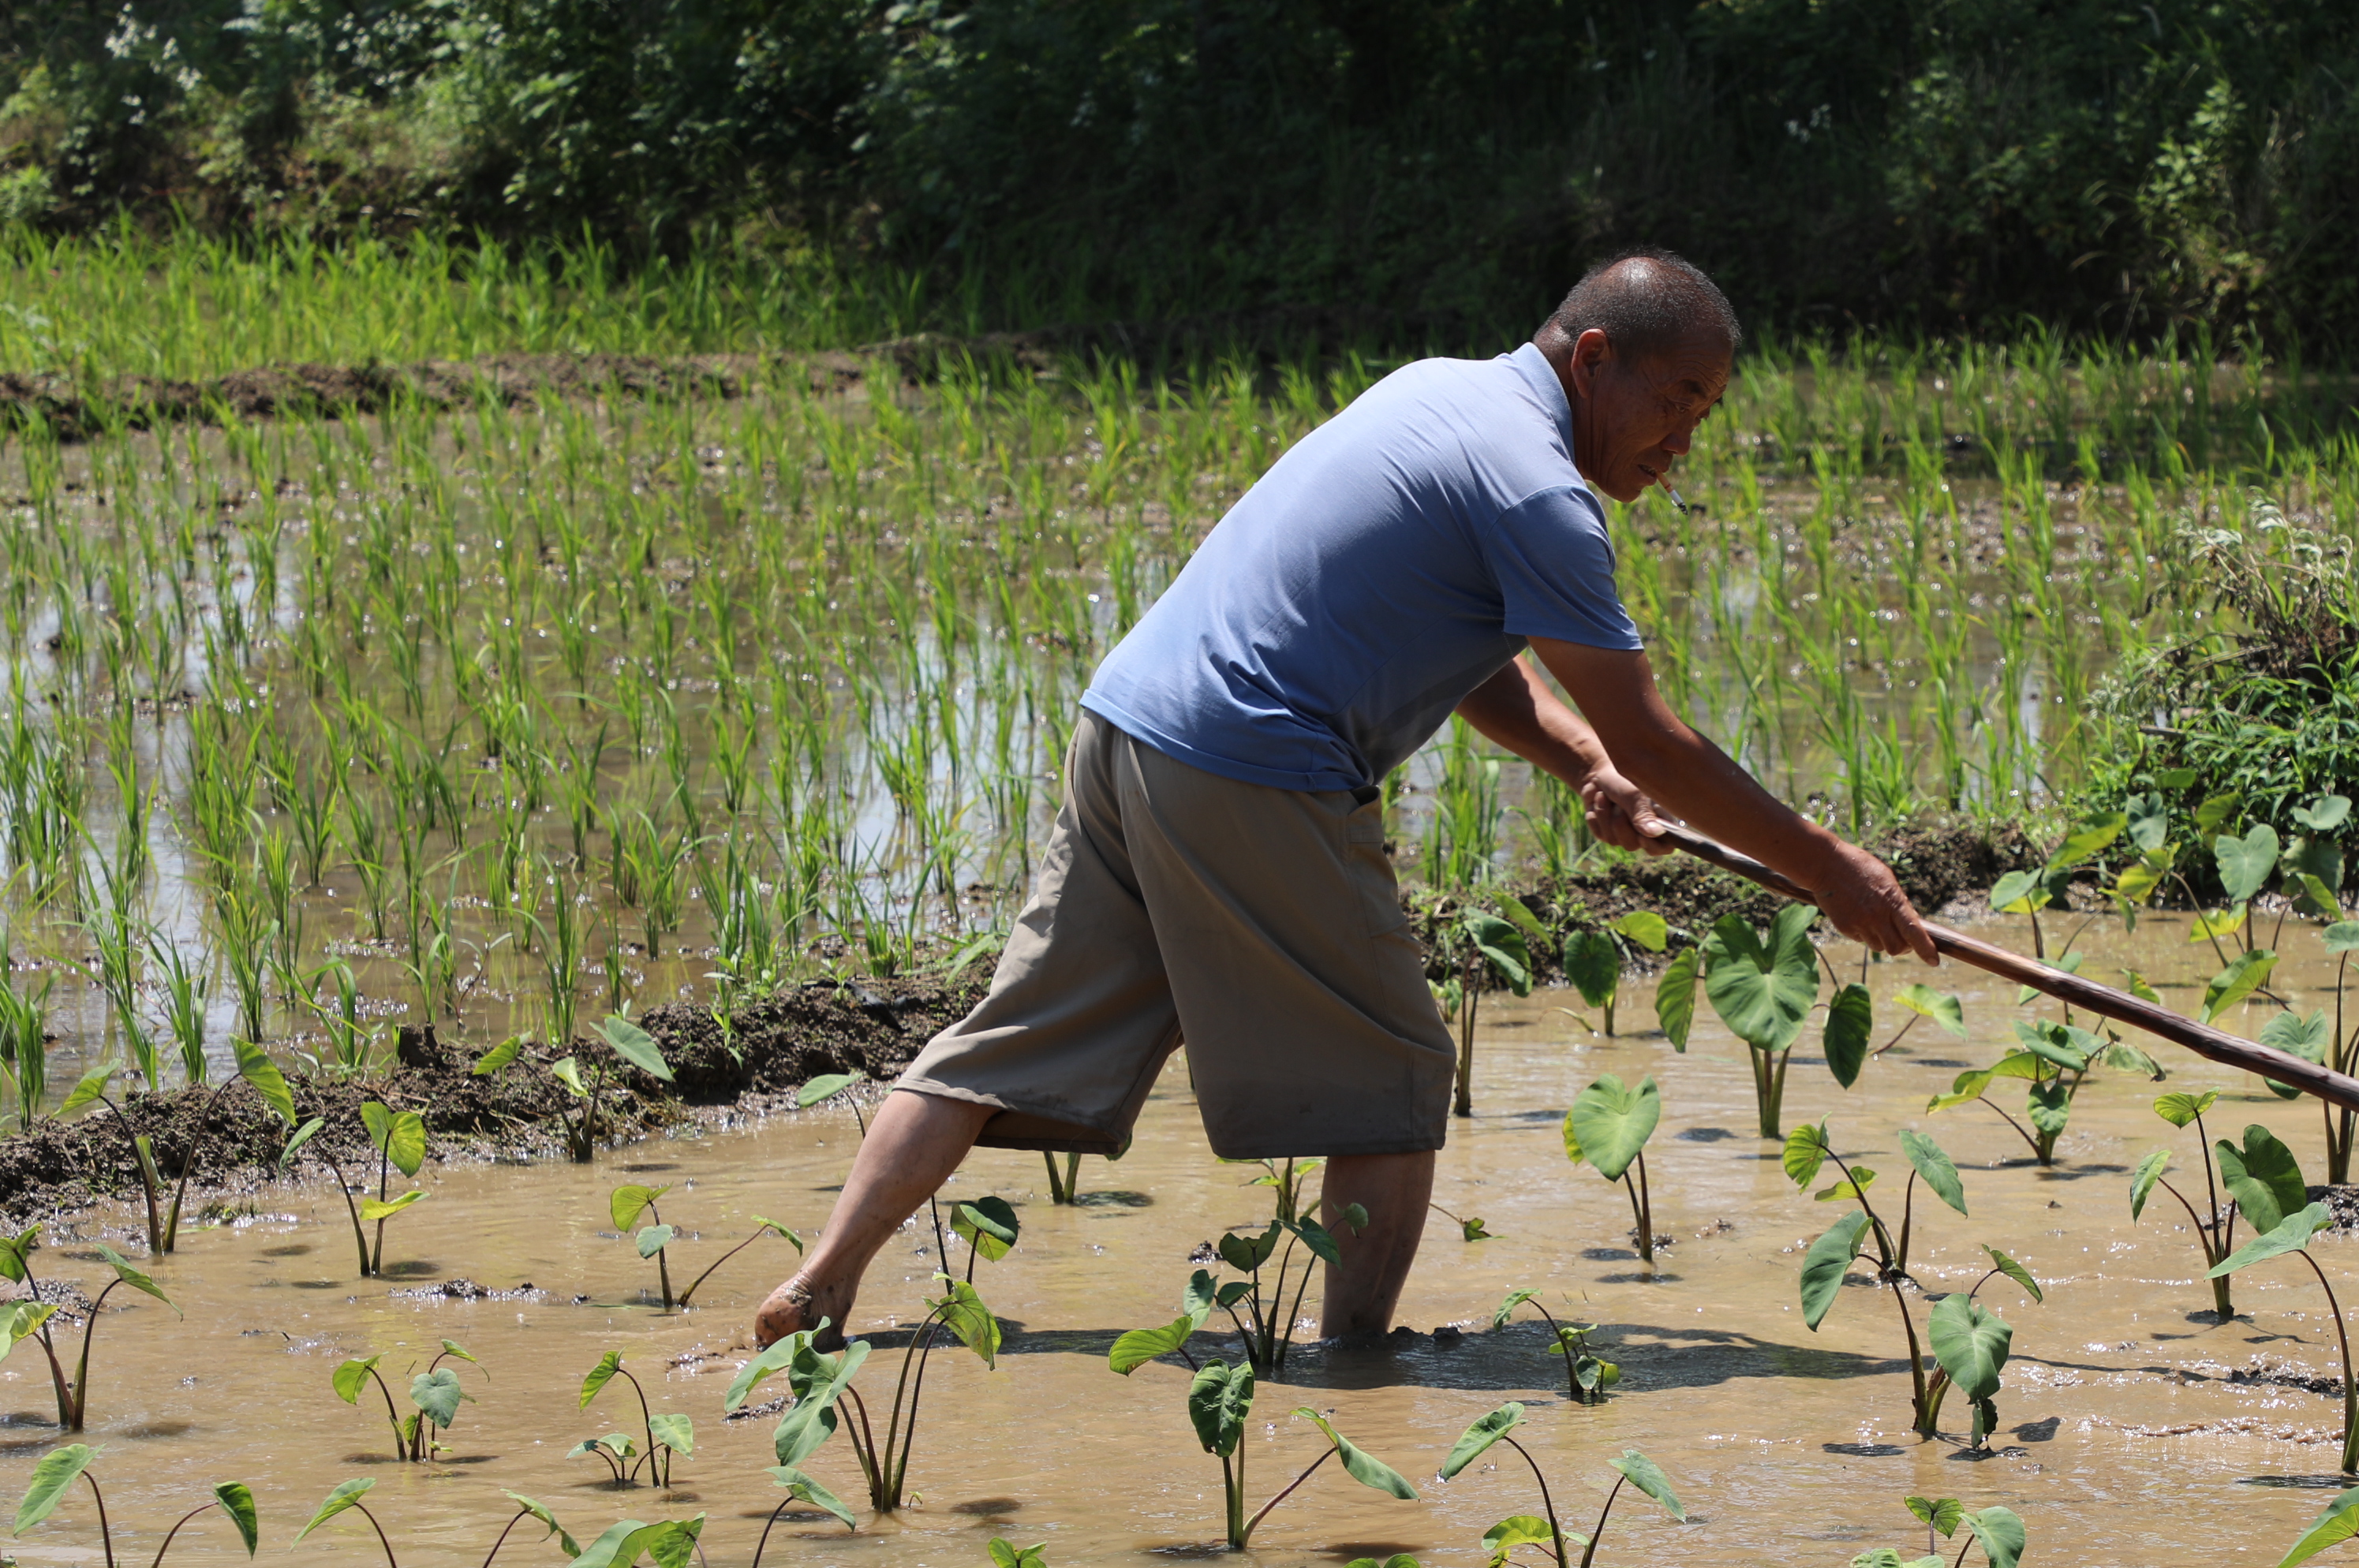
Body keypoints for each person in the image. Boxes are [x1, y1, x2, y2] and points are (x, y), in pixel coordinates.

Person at [750, 249, 1929, 1357]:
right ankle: (1355, 1365)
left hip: (1127, 732)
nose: (1684, 441)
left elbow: (1470, 652)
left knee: (1007, 1038)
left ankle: (820, 1282)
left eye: (1706, 414)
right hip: (1251, 762)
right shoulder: (1541, 493)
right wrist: (1827, 865)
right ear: (1594, 359)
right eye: (1676, 399)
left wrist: (1576, 765)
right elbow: (1654, 738)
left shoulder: (1438, 397)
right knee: (1395, 1080)